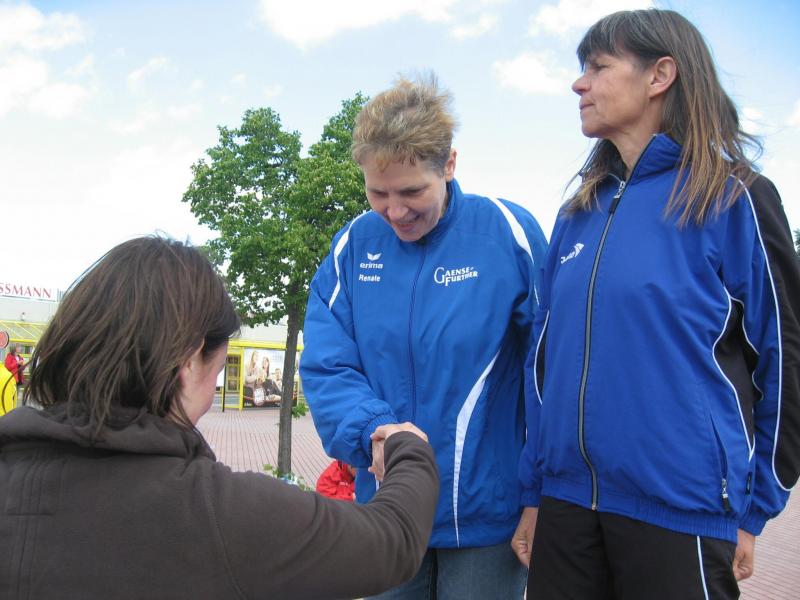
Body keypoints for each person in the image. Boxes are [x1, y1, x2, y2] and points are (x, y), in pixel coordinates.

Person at [518, 9, 800, 599]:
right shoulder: (576, 214)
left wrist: (756, 507)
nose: (578, 84)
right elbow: (542, 359)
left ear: (659, 75)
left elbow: (787, 358)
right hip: (567, 506)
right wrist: (534, 490)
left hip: (682, 512)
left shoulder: (734, 199)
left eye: (598, 67)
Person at [0, 236, 439, 599]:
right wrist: (405, 446)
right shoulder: (216, 513)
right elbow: (393, 540)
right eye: (217, 367)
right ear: (190, 361)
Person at [300, 75, 548, 599]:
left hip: (487, 520)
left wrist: (540, 493)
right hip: (388, 513)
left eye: (412, 191)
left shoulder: (507, 235)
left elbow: (551, 371)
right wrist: (374, 429)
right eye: (378, 193)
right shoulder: (353, 247)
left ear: (449, 165)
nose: (395, 211)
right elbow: (327, 364)